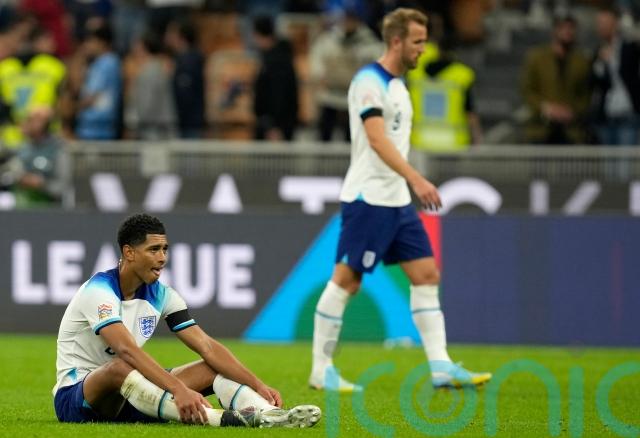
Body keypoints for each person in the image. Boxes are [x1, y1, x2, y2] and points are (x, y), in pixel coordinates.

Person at [308, 8, 492, 392]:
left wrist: (406, 185)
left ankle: (441, 367)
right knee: (346, 281)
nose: (423, 49)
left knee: (426, 275)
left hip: (396, 201)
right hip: (368, 198)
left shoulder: (399, 86)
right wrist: (416, 179)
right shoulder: (368, 81)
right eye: (417, 41)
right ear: (396, 41)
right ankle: (321, 369)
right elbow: (376, 139)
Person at [53, 213, 321, 428]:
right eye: (154, 250)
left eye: (165, 249)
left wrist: (258, 385)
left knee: (211, 368)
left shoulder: (162, 295)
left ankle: (270, 415)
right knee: (119, 368)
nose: (162, 258)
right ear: (129, 252)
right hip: (78, 398)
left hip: (133, 396)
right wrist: (178, 389)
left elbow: (207, 346)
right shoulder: (99, 291)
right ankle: (222, 420)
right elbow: (126, 350)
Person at [309, 9, 382, 142]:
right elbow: (317, 59)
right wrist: (319, 75)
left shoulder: (369, 42)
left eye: (352, 19)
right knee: (325, 132)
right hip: (330, 93)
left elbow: (379, 64)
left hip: (355, 94)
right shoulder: (329, 39)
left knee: (353, 135)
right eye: (346, 19)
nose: (348, 23)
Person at [520, 12, 592, 144]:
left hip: (571, 129)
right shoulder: (537, 58)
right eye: (563, 27)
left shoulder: (581, 61)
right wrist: (546, 108)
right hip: (541, 127)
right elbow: (527, 90)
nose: (568, 32)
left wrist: (572, 111)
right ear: (554, 30)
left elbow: (586, 93)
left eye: (571, 28)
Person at [407, 35, 483, 151]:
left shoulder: (415, 75)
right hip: (453, 143)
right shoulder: (461, 75)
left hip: (420, 142)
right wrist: (477, 138)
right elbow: (469, 111)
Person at [591, 6, 640, 146]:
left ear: (615, 24)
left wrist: (614, 60)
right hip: (606, 115)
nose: (601, 27)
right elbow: (593, 81)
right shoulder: (599, 51)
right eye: (599, 23)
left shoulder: (630, 47)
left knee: (625, 157)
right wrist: (600, 63)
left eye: (604, 23)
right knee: (607, 157)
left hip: (628, 113)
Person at [252, 15, 298, 141]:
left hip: (275, 128)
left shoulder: (278, 60)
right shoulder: (272, 57)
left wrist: (273, 126)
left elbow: (279, 95)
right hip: (269, 124)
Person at [75, 23, 122, 140]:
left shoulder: (105, 63)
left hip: (96, 129)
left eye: (91, 41)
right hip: (100, 127)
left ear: (102, 42)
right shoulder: (108, 62)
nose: (87, 45)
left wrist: (74, 109)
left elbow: (91, 95)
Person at [164, 18, 205, 139]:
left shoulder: (189, 61)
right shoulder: (180, 60)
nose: (167, 37)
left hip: (189, 125)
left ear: (181, 37)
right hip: (184, 124)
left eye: (171, 33)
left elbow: (185, 96)